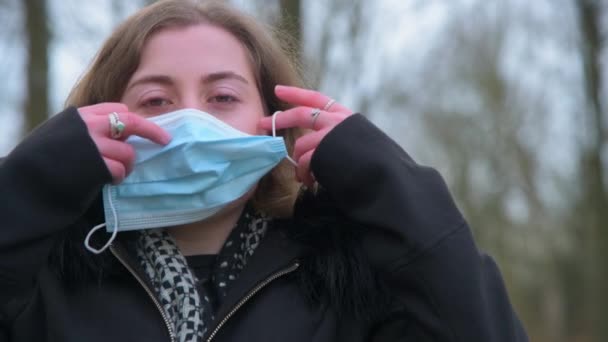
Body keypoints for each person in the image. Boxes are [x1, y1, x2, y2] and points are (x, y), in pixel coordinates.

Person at [0, 0, 529, 341]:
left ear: (271, 124)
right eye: (157, 99)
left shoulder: (345, 287)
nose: (192, 120)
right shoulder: (43, 281)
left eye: (223, 96)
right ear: (104, 120)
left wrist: (384, 179)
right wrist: (29, 185)